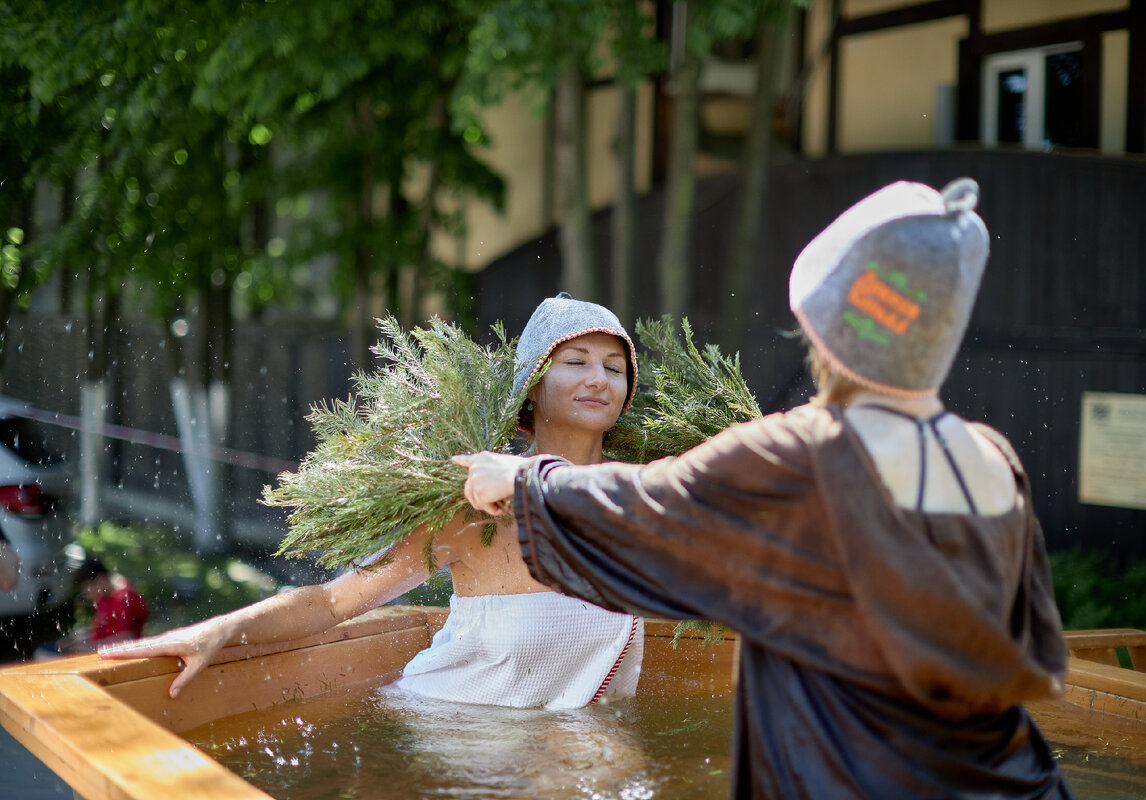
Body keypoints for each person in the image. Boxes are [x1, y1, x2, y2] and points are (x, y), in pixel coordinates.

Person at [455, 180, 1073, 798]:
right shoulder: (993, 460)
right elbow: (1036, 659)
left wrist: (519, 477)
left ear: (828, 326)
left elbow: (644, 514)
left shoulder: (798, 452)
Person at [103, 294, 644, 711]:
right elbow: (335, 602)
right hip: (459, 741)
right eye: (576, 361)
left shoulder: (640, 503)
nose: (599, 379)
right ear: (531, 384)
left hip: (565, 752)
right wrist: (221, 630)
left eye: (614, 368)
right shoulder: (476, 503)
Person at [55, 557, 149, 654]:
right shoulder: (103, 600)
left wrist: (87, 647)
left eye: (86, 586)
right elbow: (102, 633)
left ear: (100, 579)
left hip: (121, 658)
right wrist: (76, 641)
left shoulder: (123, 599)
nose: (85, 592)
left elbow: (128, 638)